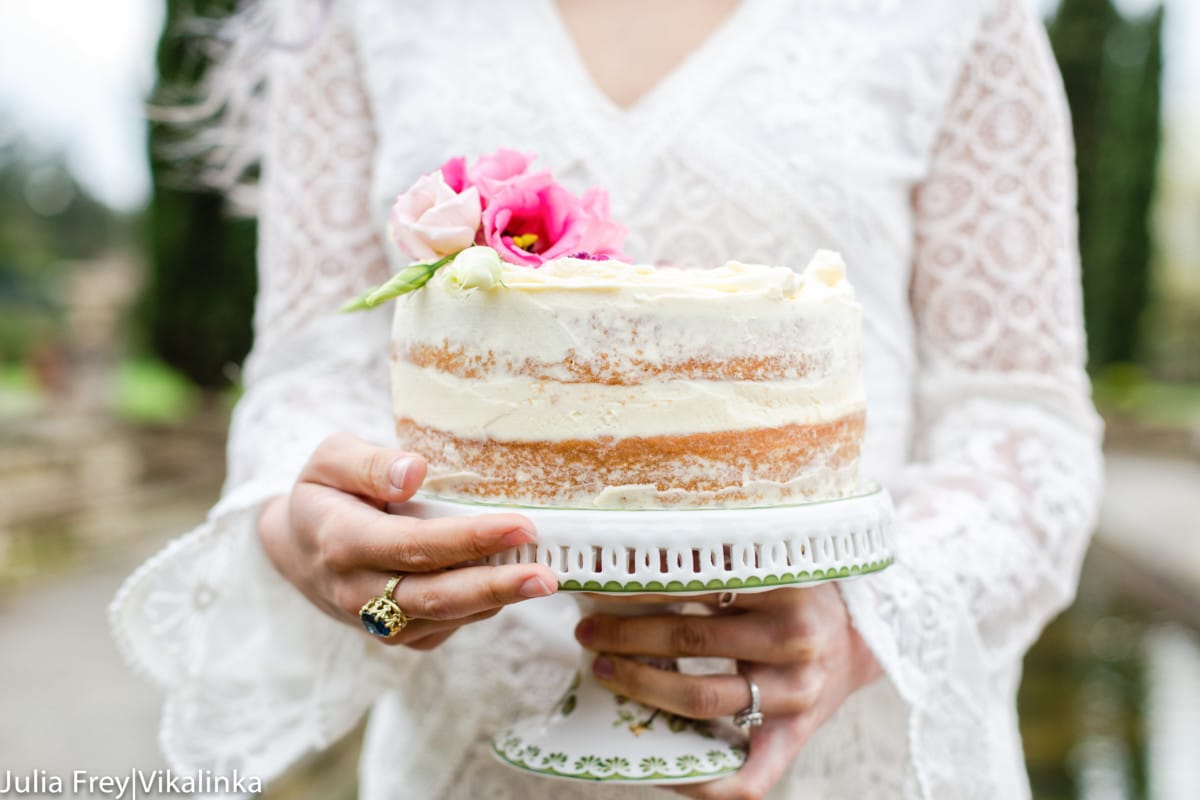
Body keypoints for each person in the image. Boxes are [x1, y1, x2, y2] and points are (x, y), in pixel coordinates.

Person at [111, 0, 1104, 797]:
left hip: (839, 767)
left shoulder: (962, 14)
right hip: (474, 759)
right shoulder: (345, 14)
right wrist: (313, 528)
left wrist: (867, 619)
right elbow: (309, 373)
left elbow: (1025, 424)